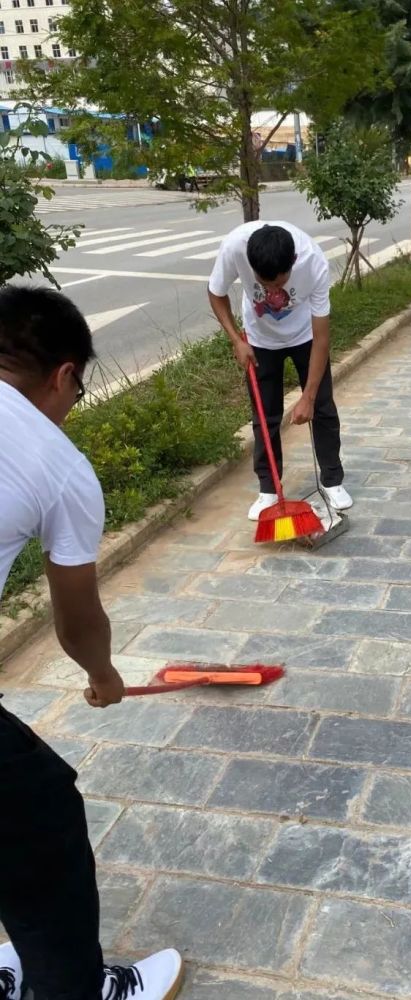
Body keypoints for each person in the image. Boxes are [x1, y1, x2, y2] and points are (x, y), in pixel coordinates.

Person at [0, 287, 182, 1000]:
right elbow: (76, 619)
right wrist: (104, 677)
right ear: (66, 375)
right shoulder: (56, 462)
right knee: (42, 816)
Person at [208, 221, 352, 520]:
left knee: (323, 407)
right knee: (264, 416)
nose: (272, 290)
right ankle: (269, 488)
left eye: (279, 284)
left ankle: (332, 480)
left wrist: (308, 397)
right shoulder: (235, 246)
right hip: (259, 340)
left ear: (293, 263)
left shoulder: (313, 263)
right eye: (265, 284)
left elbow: (322, 337)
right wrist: (237, 340)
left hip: (305, 336)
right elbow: (215, 292)